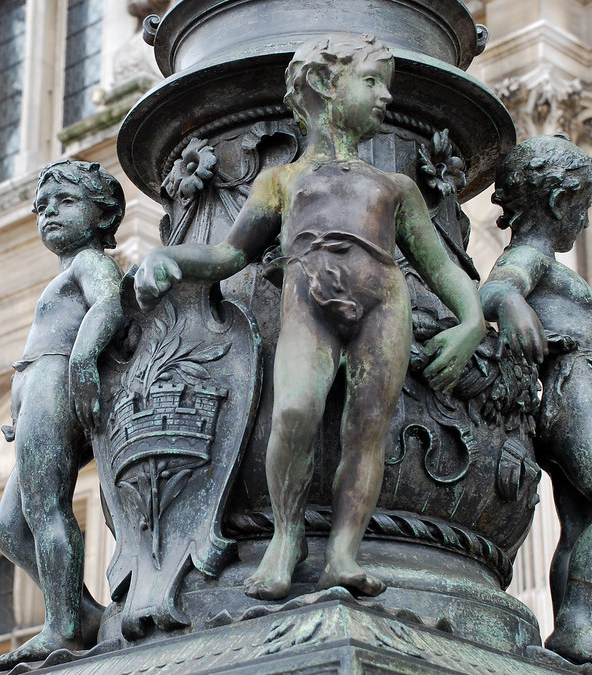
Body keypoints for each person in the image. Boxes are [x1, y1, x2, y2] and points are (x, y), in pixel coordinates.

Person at [135, 33, 485, 601]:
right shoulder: (281, 180)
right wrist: (167, 257)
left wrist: (471, 321)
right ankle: (287, 535)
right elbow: (229, 254)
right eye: (371, 82)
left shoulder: (395, 187)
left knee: (367, 428)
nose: (385, 97)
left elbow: (441, 267)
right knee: (294, 411)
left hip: (383, 306)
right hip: (308, 302)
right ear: (325, 84)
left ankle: (343, 553)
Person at [479, 135, 592, 675]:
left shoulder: (549, 263)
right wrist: (510, 303)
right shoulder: (531, 257)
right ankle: (576, 621)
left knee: (580, 525)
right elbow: (495, 289)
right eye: (583, 207)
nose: (587, 221)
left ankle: (574, 628)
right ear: (558, 203)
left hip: (586, 401)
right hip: (577, 401)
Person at [0, 160, 125, 669]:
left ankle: (63, 628)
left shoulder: (90, 262)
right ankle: (83, 613)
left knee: (46, 508)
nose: (50, 213)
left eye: (67, 202)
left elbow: (108, 306)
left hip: (56, 377)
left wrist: (84, 361)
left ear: (102, 215)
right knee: (10, 529)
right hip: (36, 389)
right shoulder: (66, 271)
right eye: (43, 206)